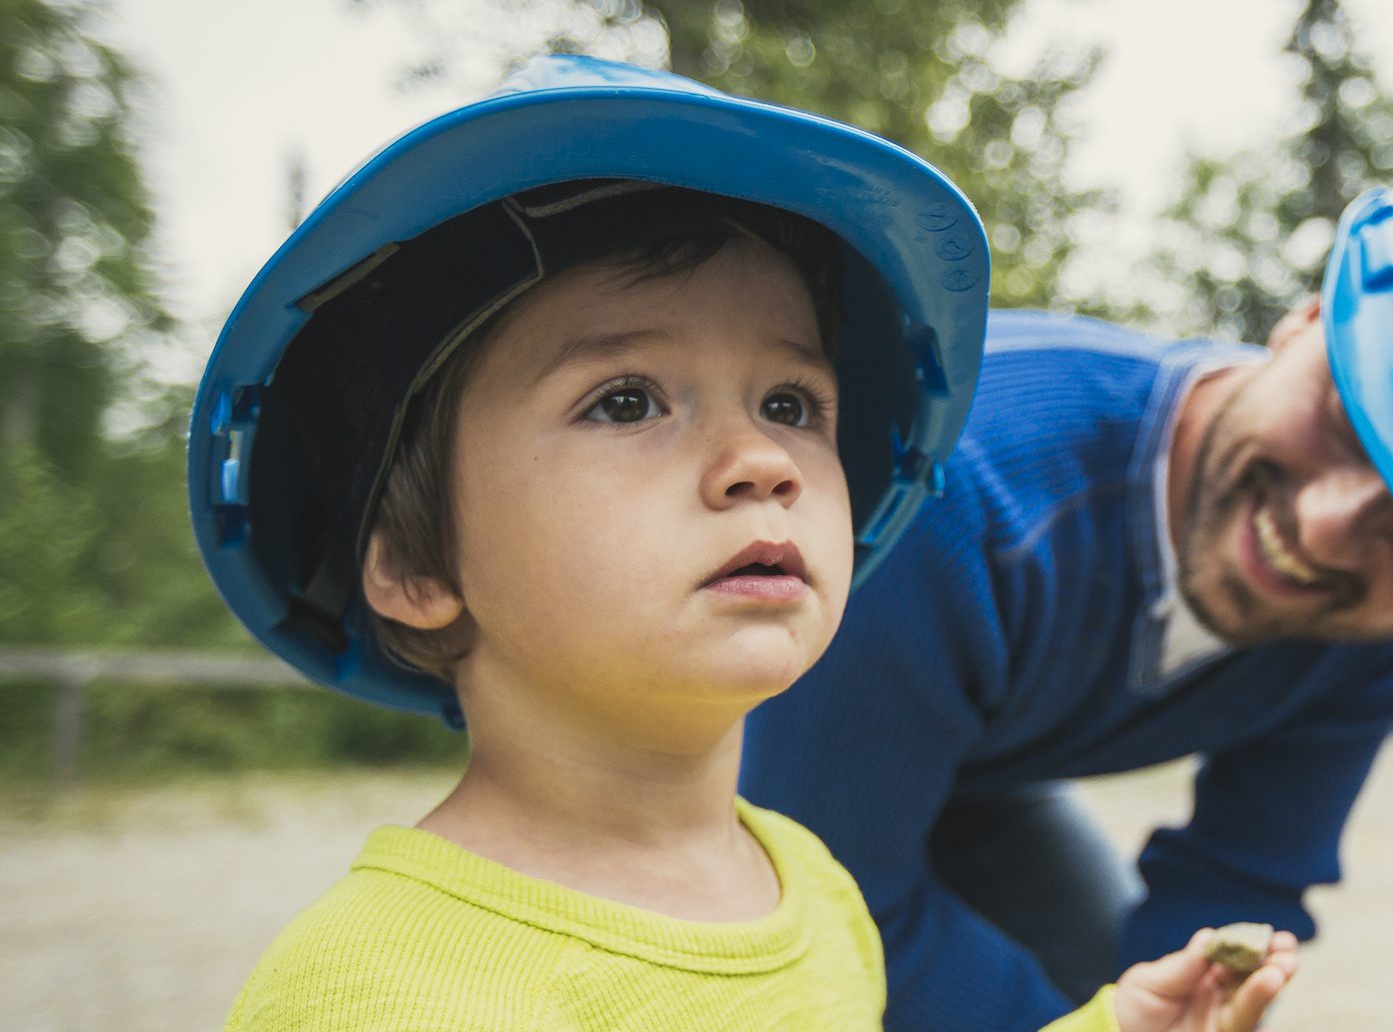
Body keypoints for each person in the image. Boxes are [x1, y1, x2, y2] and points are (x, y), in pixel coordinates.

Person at [189, 54, 1298, 1032]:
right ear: (414, 564)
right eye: (625, 400)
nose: (760, 460)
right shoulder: (380, 992)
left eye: (789, 403)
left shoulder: (811, 886)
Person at [744, 141, 1393, 1030]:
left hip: (968, 776)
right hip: (710, 780)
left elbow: (1240, 877)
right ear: (1300, 320)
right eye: (1348, 421)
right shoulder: (960, 489)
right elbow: (836, 907)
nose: (1328, 526)